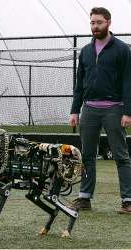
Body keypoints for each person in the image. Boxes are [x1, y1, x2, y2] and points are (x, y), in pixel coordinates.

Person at [69, 7, 131, 214]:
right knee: (87, 155)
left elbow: (128, 82)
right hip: (89, 110)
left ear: (109, 23)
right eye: (92, 23)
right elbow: (79, 84)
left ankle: (128, 200)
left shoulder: (122, 50)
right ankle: (84, 198)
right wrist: (74, 110)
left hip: (114, 109)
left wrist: (127, 111)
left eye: (99, 23)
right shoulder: (86, 51)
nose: (95, 27)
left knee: (121, 156)